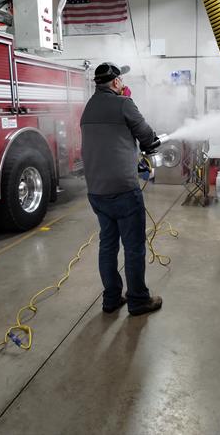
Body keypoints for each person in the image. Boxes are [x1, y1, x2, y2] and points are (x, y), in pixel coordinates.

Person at [80, 62, 162, 316]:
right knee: (134, 246)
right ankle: (138, 300)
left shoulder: (88, 108)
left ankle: (111, 299)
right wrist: (152, 145)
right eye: (122, 81)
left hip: (96, 191)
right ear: (115, 82)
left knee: (107, 245)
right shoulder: (124, 103)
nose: (124, 85)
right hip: (124, 190)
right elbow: (147, 136)